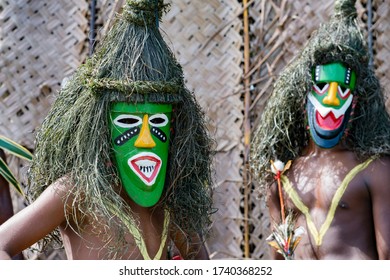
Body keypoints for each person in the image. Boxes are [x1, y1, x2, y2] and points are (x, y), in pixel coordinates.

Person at [0, 0, 214, 260]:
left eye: (158, 122)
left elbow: (202, 263)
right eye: (128, 122)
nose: (146, 141)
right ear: (99, 126)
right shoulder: (78, 190)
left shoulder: (169, 199)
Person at [250, 0, 390, 259]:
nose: (331, 101)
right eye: (322, 88)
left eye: (342, 90)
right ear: (302, 96)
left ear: (356, 101)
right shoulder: (282, 177)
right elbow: (279, 259)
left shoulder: (376, 170)